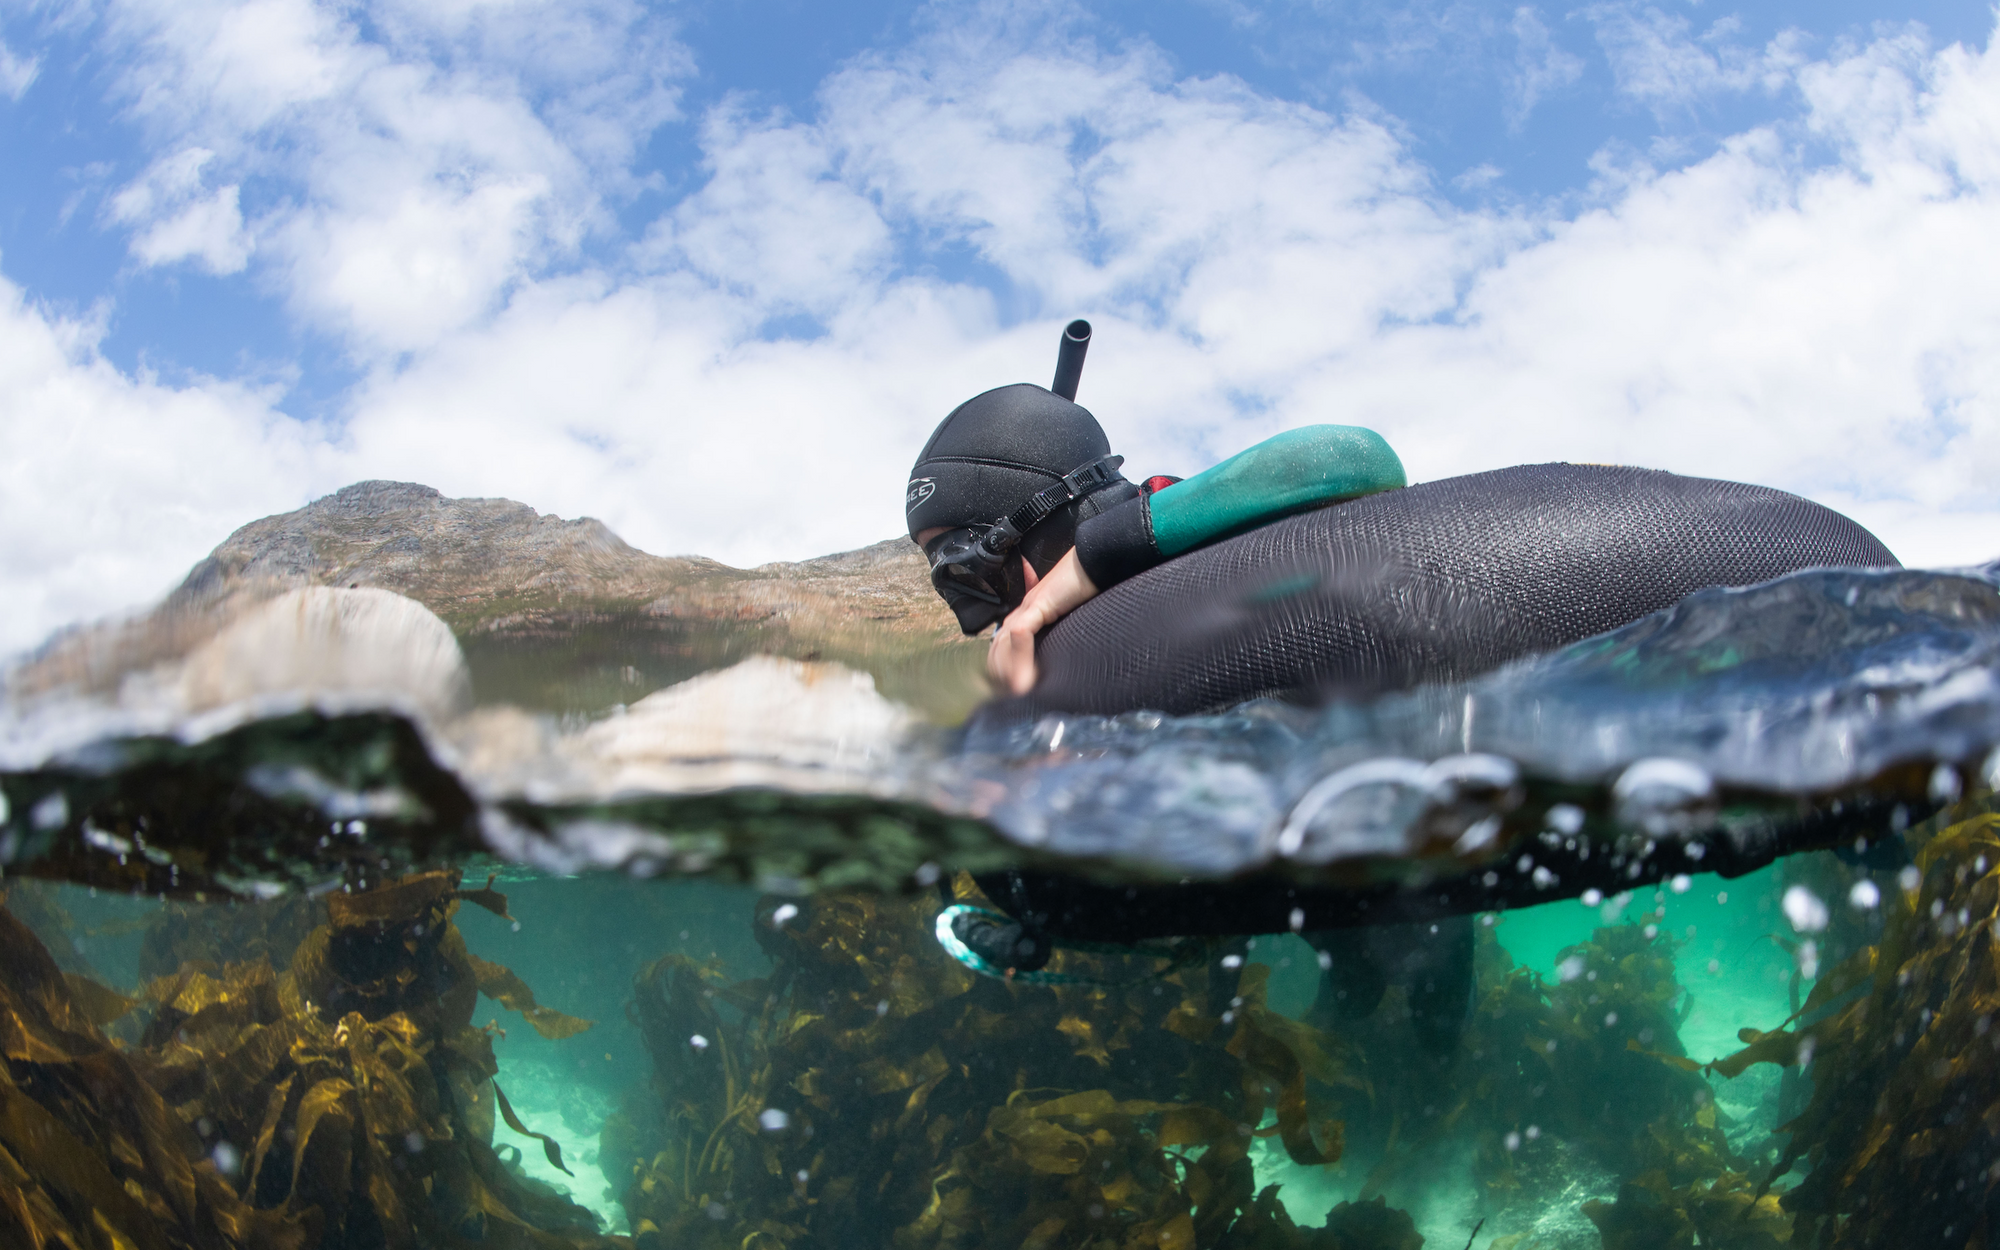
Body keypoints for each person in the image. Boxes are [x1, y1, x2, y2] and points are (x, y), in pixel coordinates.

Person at [907, 378, 1407, 694]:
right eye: (949, 586)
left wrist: (1091, 559)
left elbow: (1359, 458)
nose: (975, 614)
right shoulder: (1043, 663)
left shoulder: (1205, 545)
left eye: (969, 567)